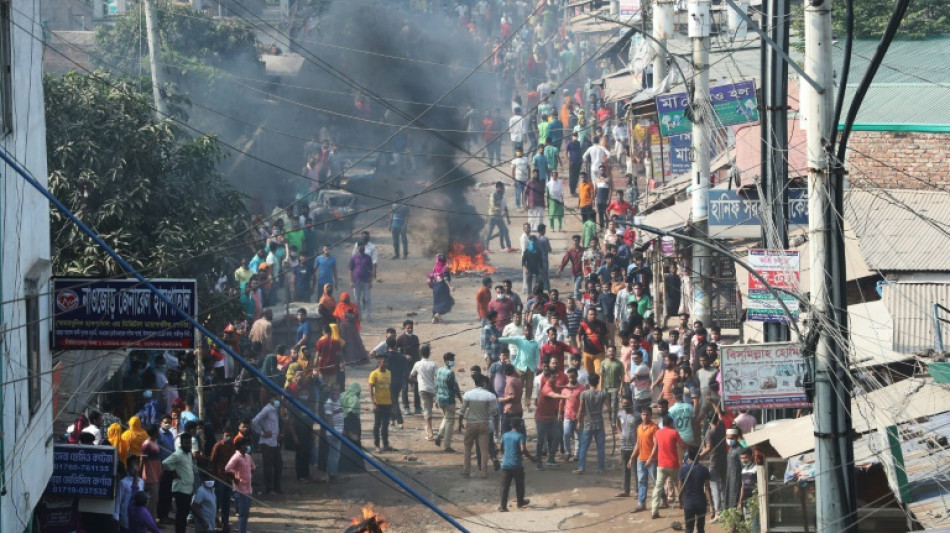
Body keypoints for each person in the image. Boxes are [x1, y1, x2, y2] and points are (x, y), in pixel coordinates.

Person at [460, 374, 500, 478]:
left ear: (475, 383)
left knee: (468, 448)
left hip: (471, 424)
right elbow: (494, 412)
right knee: (484, 450)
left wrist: (460, 423)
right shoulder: (490, 396)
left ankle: (466, 471)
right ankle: (483, 472)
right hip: (484, 425)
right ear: (484, 383)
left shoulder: (468, 394)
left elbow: (462, 411)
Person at [652, 415, 687, 519]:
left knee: (658, 488)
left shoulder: (657, 433)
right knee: (679, 485)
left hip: (661, 465)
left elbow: (656, 446)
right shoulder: (674, 432)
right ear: (671, 423)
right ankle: (683, 504)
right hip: (673, 465)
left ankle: (654, 511)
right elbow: (683, 445)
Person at [499, 323, 540, 411]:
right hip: (520, 368)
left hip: (531, 368)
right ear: (523, 332)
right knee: (519, 387)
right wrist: (498, 339)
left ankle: (527, 405)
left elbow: (537, 356)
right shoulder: (520, 340)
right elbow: (509, 339)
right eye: (526, 330)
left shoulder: (535, 343)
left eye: (529, 330)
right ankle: (518, 404)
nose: (528, 332)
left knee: (529, 387)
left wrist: (537, 366)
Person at [534, 369, 570, 469]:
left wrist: (569, 387)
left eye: (556, 376)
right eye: (553, 377)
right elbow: (553, 395)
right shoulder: (546, 388)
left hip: (551, 418)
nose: (556, 378)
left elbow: (559, 387)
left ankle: (550, 459)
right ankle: (539, 463)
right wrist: (565, 396)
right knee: (540, 442)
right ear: (547, 378)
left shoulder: (553, 385)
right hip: (541, 419)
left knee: (558, 436)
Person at [574, 373, 609, 474]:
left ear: (589, 382)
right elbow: (609, 407)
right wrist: (610, 416)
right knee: (600, 447)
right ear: (598, 382)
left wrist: (579, 421)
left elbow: (581, 408)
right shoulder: (602, 393)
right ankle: (601, 468)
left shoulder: (584, 394)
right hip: (599, 423)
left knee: (584, 446)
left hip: (588, 423)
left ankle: (581, 467)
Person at [498, 418, 534, 512]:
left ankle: (503, 506)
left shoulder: (504, 435)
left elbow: (500, 448)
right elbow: (523, 449)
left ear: (511, 425)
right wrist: (532, 458)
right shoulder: (520, 436)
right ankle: (520, 502)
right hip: (516, 465)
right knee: (520, 485)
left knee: (504, 487)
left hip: (505, 464)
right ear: (520, 426)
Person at [162, 432, 195, 533]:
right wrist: (173, 471)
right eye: (186, 443)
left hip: (188, 488)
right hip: (180, 489)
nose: (188, 445)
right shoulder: (178, 454)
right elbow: (165, 463)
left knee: (184, 514)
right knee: (181, 514)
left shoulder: (189, 453)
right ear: (181, 443)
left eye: (189, 443)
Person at [629, 406, 659, 512]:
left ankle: (663, 499)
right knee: (641, 481)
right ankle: (641, 504)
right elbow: (638, 443)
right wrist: (632, 457)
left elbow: (656, 444)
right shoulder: (639, 427)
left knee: (656, 481)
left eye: (647, 415)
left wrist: (651, 458)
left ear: (650, 415)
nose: (645, 416)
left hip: (652, 460)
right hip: (640, 459)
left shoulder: (654, 428)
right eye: (643, 414)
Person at [225, 436, 256, 533]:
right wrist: (235, 478)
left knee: (246, 513)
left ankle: (243, 530)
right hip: (240, 489)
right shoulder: (236, 457)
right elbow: (227, 469)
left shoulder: (248, 456)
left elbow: (253, 467)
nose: (247, 447)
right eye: (245, 445)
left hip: (249, 489)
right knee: (242, 514)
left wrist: (249, 477)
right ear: (240, 446)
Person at [251, 397, 282, 494]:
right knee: (268, 466)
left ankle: (277, 487)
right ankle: (269, 488)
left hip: (274, 442)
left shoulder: (275, 410)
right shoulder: (267, 409)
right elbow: (254, 421)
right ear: (271, 399)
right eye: (275, 398)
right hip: (266, 442)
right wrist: (261, 432)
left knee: (278, 464)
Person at [700, 413, 727, 521]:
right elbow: (721, 416)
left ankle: (718, 513)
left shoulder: (710, 433)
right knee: (723, 486)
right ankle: (725, 510)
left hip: (714, 462)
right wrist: (713, 403)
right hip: (724, 461)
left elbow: (709, 448)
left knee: (714, 488)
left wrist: (698, 457)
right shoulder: (722, 428)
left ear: (709, 421)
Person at [680, 447, 713, 533]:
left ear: (688, 456)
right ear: (699, 455)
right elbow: (707, 488)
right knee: (701, 528)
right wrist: (711, 505)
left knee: (689, 528)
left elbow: (680, 488)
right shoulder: (704, 469)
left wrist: (680, 501)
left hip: (688, 503)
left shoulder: (683, 469)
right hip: (701, 502)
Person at [209, 429, 235, 533]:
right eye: (226, 435)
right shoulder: (218, 446)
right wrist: (213, 477)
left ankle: (225, 523)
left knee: (226, 502)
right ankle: (213, 521)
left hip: (229, 477)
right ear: (222, 435)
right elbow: (212, 462)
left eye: (229, 435)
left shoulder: (233, 446)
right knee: (217, 501)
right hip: (219, 477)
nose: (227, 437)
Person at [434, 352, 462, 452]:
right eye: (451, 360)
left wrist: (436, 399)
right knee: (450, 422)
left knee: (446, 418)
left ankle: (439, 435)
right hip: (449, 400)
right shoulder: (450, 373)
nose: (453, 362)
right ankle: (447, 445)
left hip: (441, 399)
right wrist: (460, 397)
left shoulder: (439, 371)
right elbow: (454, 387)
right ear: (446, 361)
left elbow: (436, 386)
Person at [410, 343, 439, 440]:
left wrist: (418, 380)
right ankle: (431, 428)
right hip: (432, 389)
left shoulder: (417, 364)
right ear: (429, 353)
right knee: (429, 409)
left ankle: (430, 432)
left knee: (427, 410)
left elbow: (411, 376)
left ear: (420, 353)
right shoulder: (433, 364)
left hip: (422, 389)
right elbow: (437, 377)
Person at [368, 353, 395, 453]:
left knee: (385, 425)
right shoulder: (374, 374)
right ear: (379, 362)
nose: (386, 364)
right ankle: (377, 445)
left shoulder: (389, 373)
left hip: (387, 403)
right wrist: (373, 403)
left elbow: (390, 388)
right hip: (378, 404)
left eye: (387, 362)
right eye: (384, 362)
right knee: (377, 425)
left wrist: (393, 402)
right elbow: (370, 388)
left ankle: (386, 444)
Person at [578, 308, 608, 383]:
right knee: (588, 374)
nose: (593, 316)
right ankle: (590, 391)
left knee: (599, 373)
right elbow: (578, 335)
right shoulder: (583, 324)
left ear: (597, 315)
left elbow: (605, 337)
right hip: (587, 353)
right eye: (591, 314)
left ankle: (598, 391)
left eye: (594, 314)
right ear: (587, 315)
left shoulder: (601, 324)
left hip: (599, 353)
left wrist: (607, 347)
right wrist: (579, 343)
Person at [616, 397, 638, 497]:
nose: (625, 405)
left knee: (636, 470)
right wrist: (620, 434)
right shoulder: (620, 414)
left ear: (631, 403)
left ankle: (638, 491)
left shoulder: (637, 416)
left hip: (635, 447)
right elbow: (617, 424)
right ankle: (626, 491)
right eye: (623, 403)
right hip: (624, 447)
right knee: (625, 469)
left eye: (627, 403)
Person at [115, 455, 144, 532]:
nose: (135, 468)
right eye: (132, 465)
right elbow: (118, 501)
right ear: (128, 467)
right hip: (125, 518)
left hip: (137, 518)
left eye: (137, 465)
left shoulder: (141, 482)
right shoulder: (123, 482)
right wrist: (116, 516)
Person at [324, 383, 345, 482]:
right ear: (331, 391)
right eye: (334, 390)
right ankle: (332, 475)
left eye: (338, 390)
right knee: (333, 455)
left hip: (339, 431)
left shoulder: (337, 402)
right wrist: (334, 432)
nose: (336, 392)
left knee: (336, 455)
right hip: (333, 433)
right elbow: (329, 419)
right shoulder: (329, 403)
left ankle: (334, 474)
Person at [349, 243, 374, 321]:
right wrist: (351, 281)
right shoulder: (354, 258)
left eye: (362, 246)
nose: (361, 248)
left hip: (366, 281)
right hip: (356, 281)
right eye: (360, 246)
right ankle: (358, 316)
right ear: (357, 248)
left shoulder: (368, 258)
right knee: (357, 299)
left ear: (364, 247)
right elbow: (350, 270)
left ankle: (368, 316)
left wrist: (370, 281)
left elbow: (371, 270)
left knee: (367, 298)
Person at [486, 182, 513, 251]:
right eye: (501, 188)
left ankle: (509, 246)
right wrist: (501, 211)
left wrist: (507, 218)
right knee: (490, 232)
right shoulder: (493, 195)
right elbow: (492, 205)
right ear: (497, 188)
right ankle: (486, 248)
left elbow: (505, 207)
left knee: (505, 230)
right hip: (492, 216)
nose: (502, 189)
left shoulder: (501, 195)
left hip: (499, 217)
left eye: (502, 188)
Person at [558, 235, 585, 300]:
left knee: (576, 288)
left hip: (582, 272)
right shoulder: (570, 251)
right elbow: (565, 260)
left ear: (579, 241)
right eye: (574, 240)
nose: (575, 242)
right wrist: (560, 269)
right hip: (574, 272)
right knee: (578, 288)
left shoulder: (583, 251)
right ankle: (581, 299)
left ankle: (576, 301)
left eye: (577, 240)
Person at [724, 427, 745, 510]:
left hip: (737, 479)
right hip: (730, 478)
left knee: (734, 499)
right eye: (728, 438)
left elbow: (743, 466)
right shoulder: (731, 449)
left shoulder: (739, 450)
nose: (729, 440)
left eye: (732, 438)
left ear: (736, 437)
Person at [390, 192, 411, 259]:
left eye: (399, 196)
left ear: (402, 196)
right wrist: (390, 225)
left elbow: (407, 216)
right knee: (395, 241)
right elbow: (391, 215)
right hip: (394, 225)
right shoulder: (393, 205)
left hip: (402, 225)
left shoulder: (406, 205)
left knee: (404, 240)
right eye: (397, 196)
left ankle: (405, 255)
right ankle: (397, 255)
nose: (398, 197)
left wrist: (404, 225)